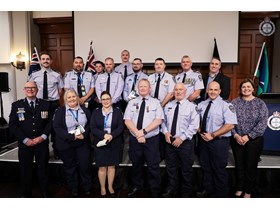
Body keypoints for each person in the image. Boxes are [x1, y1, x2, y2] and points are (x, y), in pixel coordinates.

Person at [9, 82, 52, 198]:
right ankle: (26, 193)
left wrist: (43, 136)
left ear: (37, 90)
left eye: (33, 88)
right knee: (25, 170)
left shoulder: (45, 104)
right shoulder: (16, 105)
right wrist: (24, 139)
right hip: (25, 145)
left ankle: (45, 192)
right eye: (28, 88)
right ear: (24, 90)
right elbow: (13, 125)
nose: (30, 90)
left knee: (43, 168)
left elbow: (50, 123)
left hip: (41, 143)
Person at [124, 79, 164, 198]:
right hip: (135, 139)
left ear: (149, 88)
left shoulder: (156, 103)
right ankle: (137, 187)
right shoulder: (131, 102)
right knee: (136, 164)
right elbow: (127, 120)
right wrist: (138, 133)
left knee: (153, 166)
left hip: (151, 140)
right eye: (140, 86)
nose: (142, 88)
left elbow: (158, 120)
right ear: (137, 88)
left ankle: (155, 190)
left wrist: (143, 132)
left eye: (145, 86)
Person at [197, 81, 237, 198]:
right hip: (204, 141)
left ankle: (221, 194)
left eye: (215, 90)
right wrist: (200, 132)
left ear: (219, 91)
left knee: (219, 169)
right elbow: (195, 121)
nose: (212, 92)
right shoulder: (201, 105)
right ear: (207, 91)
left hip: (219, 142)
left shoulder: (226, 105)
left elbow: (230, 125)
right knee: (206, 167)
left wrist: (213, 135)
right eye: (210, 89)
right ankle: (208, 190)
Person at [230, 78, 269, 198]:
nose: (246, 89)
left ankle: (248, 190)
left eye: (248, 87)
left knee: (250, 166)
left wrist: (248, 136)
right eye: (243, 87)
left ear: (253, 88)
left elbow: (263, 123)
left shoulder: (260, 103)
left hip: (254, 140)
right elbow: (228, 121)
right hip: (237, 139)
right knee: (239, 165)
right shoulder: (234, 102)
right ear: (240, 89)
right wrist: (235, 135)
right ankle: (240, 187)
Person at [161, 83, 200, 198]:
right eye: (176, 89)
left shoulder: (192, 107)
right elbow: (163, 121)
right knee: (171, 167)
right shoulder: (168, 105)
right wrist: (166, 133)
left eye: (180, 90)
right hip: (169, 141)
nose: (178, 92)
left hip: (185, 143)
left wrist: (181, 138)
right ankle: (172, 189)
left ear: (185, 91)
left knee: (186, 169)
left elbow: (194, 125)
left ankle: (186, 192)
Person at [52, 89, 92, 197]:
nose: (72, 99)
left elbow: (89, 125)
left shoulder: (85, 110)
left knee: (85, 166)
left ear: (77, 97)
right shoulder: (60, 111)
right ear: (65, 99)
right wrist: (72, 136)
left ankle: (87, 187)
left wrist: (85, 134)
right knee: (70, 167)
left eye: (73, 96)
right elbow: (57, 127)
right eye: (69, 97)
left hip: (82, 142)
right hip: (66, 143)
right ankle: (73, 188)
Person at [28, 51, 64, 159]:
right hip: (40, 104)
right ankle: (43, 152)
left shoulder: (56, 75)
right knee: (40, 127)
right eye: (43, 59)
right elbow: (30, 88)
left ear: (51, 61)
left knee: (55, 127)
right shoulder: (34, 75)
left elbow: (60, 90)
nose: (45, 61)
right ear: (40, 61)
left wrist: (54, 99)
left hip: (53, 103)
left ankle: (56, 150)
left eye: (47, 59)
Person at [90, 91, 124, 198]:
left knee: (112, 166)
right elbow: (93, 127)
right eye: (103, 99)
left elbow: (121, 127)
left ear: (111, 99)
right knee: (102, 167)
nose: (105, 101)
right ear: (100, 101)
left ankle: (110, 186)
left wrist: (111, 135)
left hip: (114, 142)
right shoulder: (96, 112)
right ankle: (103, 187)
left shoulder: (118, 112)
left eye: (107, 99)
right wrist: (104, 135)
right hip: (101, 142)